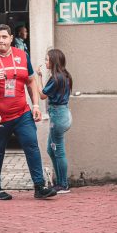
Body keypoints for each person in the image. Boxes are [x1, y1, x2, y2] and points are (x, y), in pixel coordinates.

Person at [0, 24, 56, 200]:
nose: (1, 40)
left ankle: (39, 186)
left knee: (32, 146)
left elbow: (31, 81)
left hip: (22, 113)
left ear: (11, 38)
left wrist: (35, 105)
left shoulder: (22, 55)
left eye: (4, 37)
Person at [36, 49, 73, 194]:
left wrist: (38, 78)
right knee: (51, 150)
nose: (45, 62)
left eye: (47, 59)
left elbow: (42, 95)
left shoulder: (56, 78)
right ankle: (60, 182)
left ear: (53, 61)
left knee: (58, 151)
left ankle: (63, 184)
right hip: (62, 114)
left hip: (58, 117)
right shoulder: (65, 75)